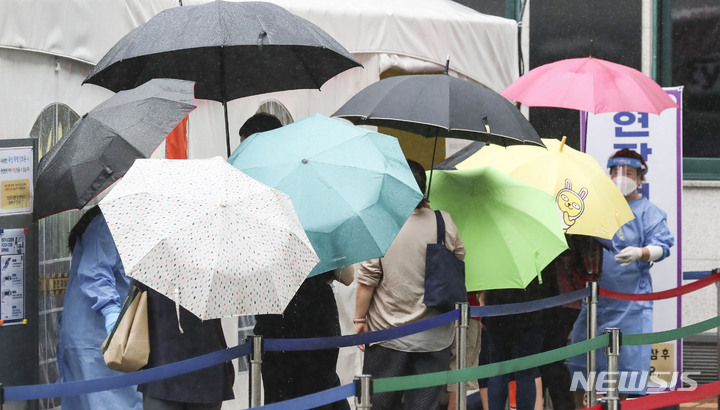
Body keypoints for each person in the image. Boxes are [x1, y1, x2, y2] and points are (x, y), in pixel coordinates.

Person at [354, 159, 466, 410]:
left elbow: (366, 280)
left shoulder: (384, 223)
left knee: (380, 405)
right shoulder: (443, 221)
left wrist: (360, 321)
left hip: (388, 335)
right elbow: (458, 258)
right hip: (434, 337)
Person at [568, 148, 675, 406]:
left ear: (640, 178)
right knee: (582, 366)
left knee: (625, 369)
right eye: (616, 172)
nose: (621, 177)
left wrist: (641, 252)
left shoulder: (649, 212)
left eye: (628, 173)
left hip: (631, 305)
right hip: (594, 301)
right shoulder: (597, 207)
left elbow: (664, 247)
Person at [56, 205, 142, 410]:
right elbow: (95, 274)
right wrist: (113, 317)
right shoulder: (109, 222)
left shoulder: (123, 223)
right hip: (98, 339)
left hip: (103, 339)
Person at [254, 266, 354, 409]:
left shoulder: (262, 246)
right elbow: (347, 277)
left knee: (281, 392)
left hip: (275, 311)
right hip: (316, 315)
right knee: (320, 388)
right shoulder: (322, 243)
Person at [138, 285, 235, 409]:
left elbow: (134, 301)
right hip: (197, 369)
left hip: (169, 368)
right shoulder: (212, 270)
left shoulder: (151, 271)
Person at [540, 234, 603, 410]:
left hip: (565, 298)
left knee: (550, 357)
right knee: (546, 357)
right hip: (555, 299)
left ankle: (562, 406)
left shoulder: (579, 231)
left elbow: (592, 271)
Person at [483, 269, 552, 410]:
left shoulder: (497, 250)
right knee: (525, 373)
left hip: (497, 309)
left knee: (498, 370)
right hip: (532, 311)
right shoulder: (536, 251)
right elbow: (549, 285)